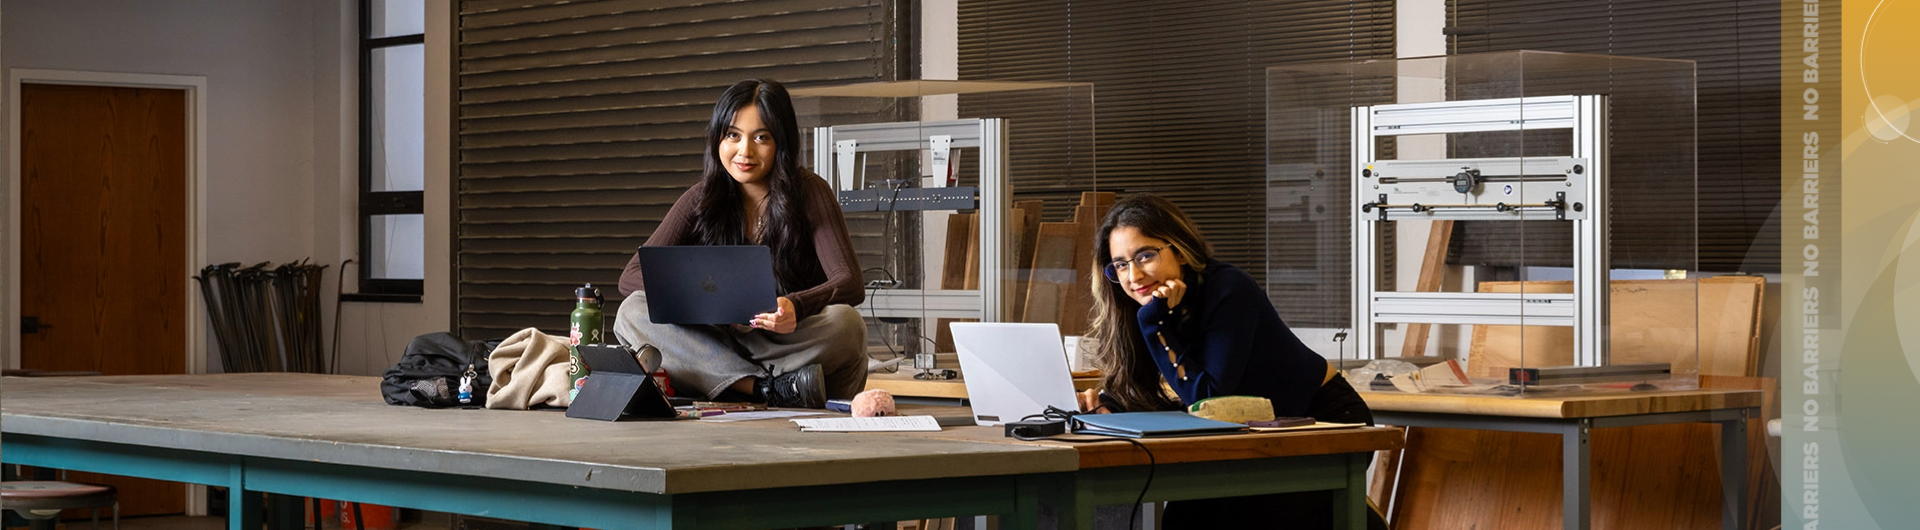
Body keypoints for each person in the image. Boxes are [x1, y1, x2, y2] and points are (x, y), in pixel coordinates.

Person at [1075, 193, 1383, 529]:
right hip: (1251, 433)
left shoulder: (1228, 288)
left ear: (1178, 249)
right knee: (1184, 520)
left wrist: (1154, 324)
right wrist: (1107, 406)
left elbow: (1210, 399)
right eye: (1120, 264)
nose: (1133, 275)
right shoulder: (1145, 307)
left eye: (1145, 255)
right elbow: (1147, 389)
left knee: (1246, 517)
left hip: (1323, 420)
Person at [614, 79, 867, 409]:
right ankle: (762, 389)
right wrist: (707, 306)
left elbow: (850, 283)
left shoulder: (810, 192)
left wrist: (796, 306)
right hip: (717, 341)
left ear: (781, 143)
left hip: (785, 344)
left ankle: (726, 381)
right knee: (632, 311)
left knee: (847, 324)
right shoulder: (700, 197)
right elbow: (631, 276)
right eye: (733, 135)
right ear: (718, 138)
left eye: (761, 137)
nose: (744, 151)